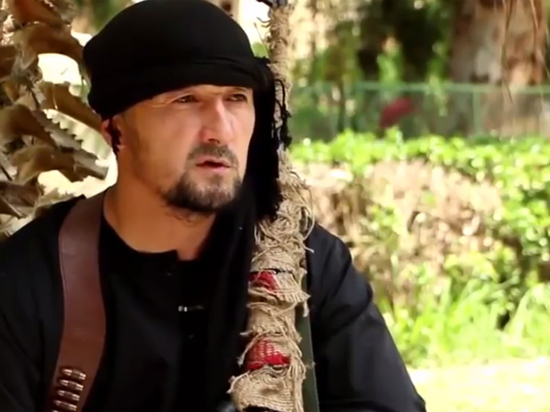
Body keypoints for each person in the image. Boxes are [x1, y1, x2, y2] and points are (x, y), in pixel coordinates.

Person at [0, 1, 426, 411]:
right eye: (184, 100)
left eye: (236, 98)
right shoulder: (32, 282)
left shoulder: (302, 264)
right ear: (114, 131)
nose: (220, 129)